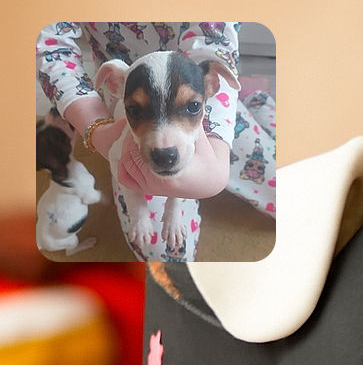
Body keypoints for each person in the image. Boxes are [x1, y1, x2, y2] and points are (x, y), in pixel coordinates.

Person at [37, 22, 276, 261]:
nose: (164, 146)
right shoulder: (120, 81)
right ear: (113, 83)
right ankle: (225, 102)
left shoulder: (209, 83)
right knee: (163, 255)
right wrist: (97, 131)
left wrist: (174, 211)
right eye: (136, 110)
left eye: (192, 106)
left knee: (290, 194)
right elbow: (51, 46)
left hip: (215, 109)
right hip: (130, 76)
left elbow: (215, 37)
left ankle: (254, 99)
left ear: (214, 82)